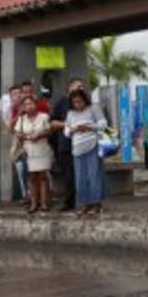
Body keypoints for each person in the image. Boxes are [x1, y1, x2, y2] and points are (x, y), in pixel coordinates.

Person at [63, 87, 107, 216]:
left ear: (85, 100)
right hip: (77, 148)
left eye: (80, 101)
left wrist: (89, 127)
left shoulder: (93, 108)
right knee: (80, 178)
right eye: (75, 102)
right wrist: (73, 130)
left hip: (92, 145)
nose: (78, 105)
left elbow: (103, 124)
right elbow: (66, 131)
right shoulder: (70, 113)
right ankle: (86, 204)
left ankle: (97, 203)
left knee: (94, 175)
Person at [49, 77, 84, 212]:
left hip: (84, 145)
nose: (80, 89)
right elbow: (52, 122)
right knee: (69, 176)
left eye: (82, 87)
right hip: (66, 145)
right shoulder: (62, 103)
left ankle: (88, 202)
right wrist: (68, 125)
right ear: (69, 89)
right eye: (77, 87)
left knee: (85, 174)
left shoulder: (87, 103)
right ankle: (69, 202)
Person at [14, 95, 54, 213]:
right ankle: (33, 203)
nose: (29, 106)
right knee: (31, 177)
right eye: (26, 104)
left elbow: (49, 131)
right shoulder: (21, 119)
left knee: (43, 176)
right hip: (29, 150)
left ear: (36, 104)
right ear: (23, 107)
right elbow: (17, 133)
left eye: (31, 103)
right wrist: (20, 136)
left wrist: (40, 135)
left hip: (42, 149)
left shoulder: (43, 117)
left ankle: (44, 203)